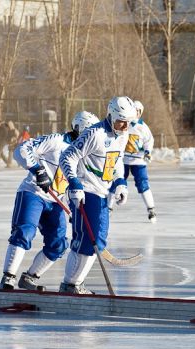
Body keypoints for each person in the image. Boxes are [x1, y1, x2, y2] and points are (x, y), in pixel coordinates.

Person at [0, 111, 100, 290]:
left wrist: (76, 207)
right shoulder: (56, 140)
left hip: (57, 201)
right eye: (89, 132)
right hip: (34, 193)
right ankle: (8, 277)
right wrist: (38, 170)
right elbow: (21, 149)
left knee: (58, 244)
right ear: (79, 128)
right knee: (25, 232)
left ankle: (30, 277)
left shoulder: (86, 155)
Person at [59, 96, 137, 294]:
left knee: (99, 240)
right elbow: (67, 157)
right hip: (85, 191)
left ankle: (76, 283)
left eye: (128, 122)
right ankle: (70, 284)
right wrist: (74, 184)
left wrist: (120, 183)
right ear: (110, 116)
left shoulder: (123, 134)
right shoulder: (95, 133)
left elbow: (117, 160)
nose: (124, 126)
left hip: (102, 193)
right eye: (121, 121)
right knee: (86, 239)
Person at [108, 100, 156, 222]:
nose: (136, 113)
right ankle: (108, 207)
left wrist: (147, 152)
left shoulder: (143, 127)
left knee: (143, 183)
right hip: (122, 160)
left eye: (138, 111)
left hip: (138, 162)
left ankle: (151, 209)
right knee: (115, 181)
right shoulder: (123, 124)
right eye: (134, 110)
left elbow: (149, 141)